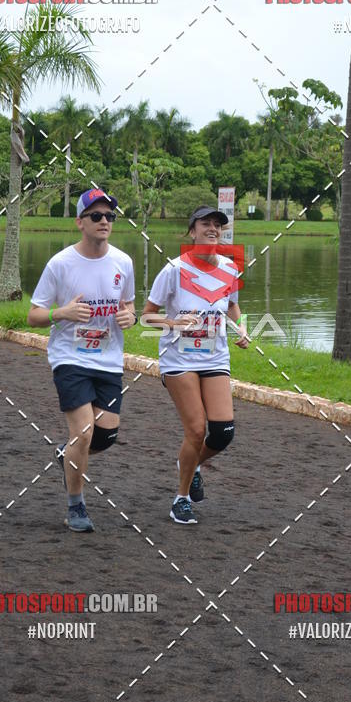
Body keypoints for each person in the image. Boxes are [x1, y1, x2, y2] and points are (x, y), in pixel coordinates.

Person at [27, 188, 137, 532]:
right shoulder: (60, 264)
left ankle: (66, 453)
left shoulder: (124, 262)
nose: (104, 221)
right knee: (84, 432)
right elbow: (34, 315)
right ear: (80, 222)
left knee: (104, 437)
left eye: (109, 217)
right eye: (96, 216)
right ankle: (76, 506)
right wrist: (63, 312)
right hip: (69, 358)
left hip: (108, 361)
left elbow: (129, 305)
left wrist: (130, 317)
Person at [142, 204, 249, 525]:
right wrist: (175, 323)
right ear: (192, 231)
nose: (212, 228)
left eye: (218, 224)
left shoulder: (230, 268)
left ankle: (190, 464)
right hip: (179, 358)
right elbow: (146, 315)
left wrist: (241, 326)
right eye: (205, 224)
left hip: (215, 355)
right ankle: (181, 498)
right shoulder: (174, 269)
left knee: (223, 433)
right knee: (196, 429)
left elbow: (232, 305)